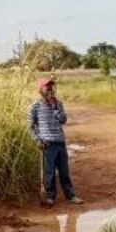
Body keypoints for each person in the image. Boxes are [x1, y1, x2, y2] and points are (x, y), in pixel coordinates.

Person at [29, 77, 83, 205]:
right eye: (47, 86)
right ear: (40, 89)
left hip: (60, 141)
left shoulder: (58, 104)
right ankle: (50, 197)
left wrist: (55, 108)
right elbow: (31, 126)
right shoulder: (35, 106)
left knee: (64, 171)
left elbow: (63, 120)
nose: (50, 89)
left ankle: (70, 196)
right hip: (47, 143)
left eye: (51, 86)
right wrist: (37, 139)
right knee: (49, 172)